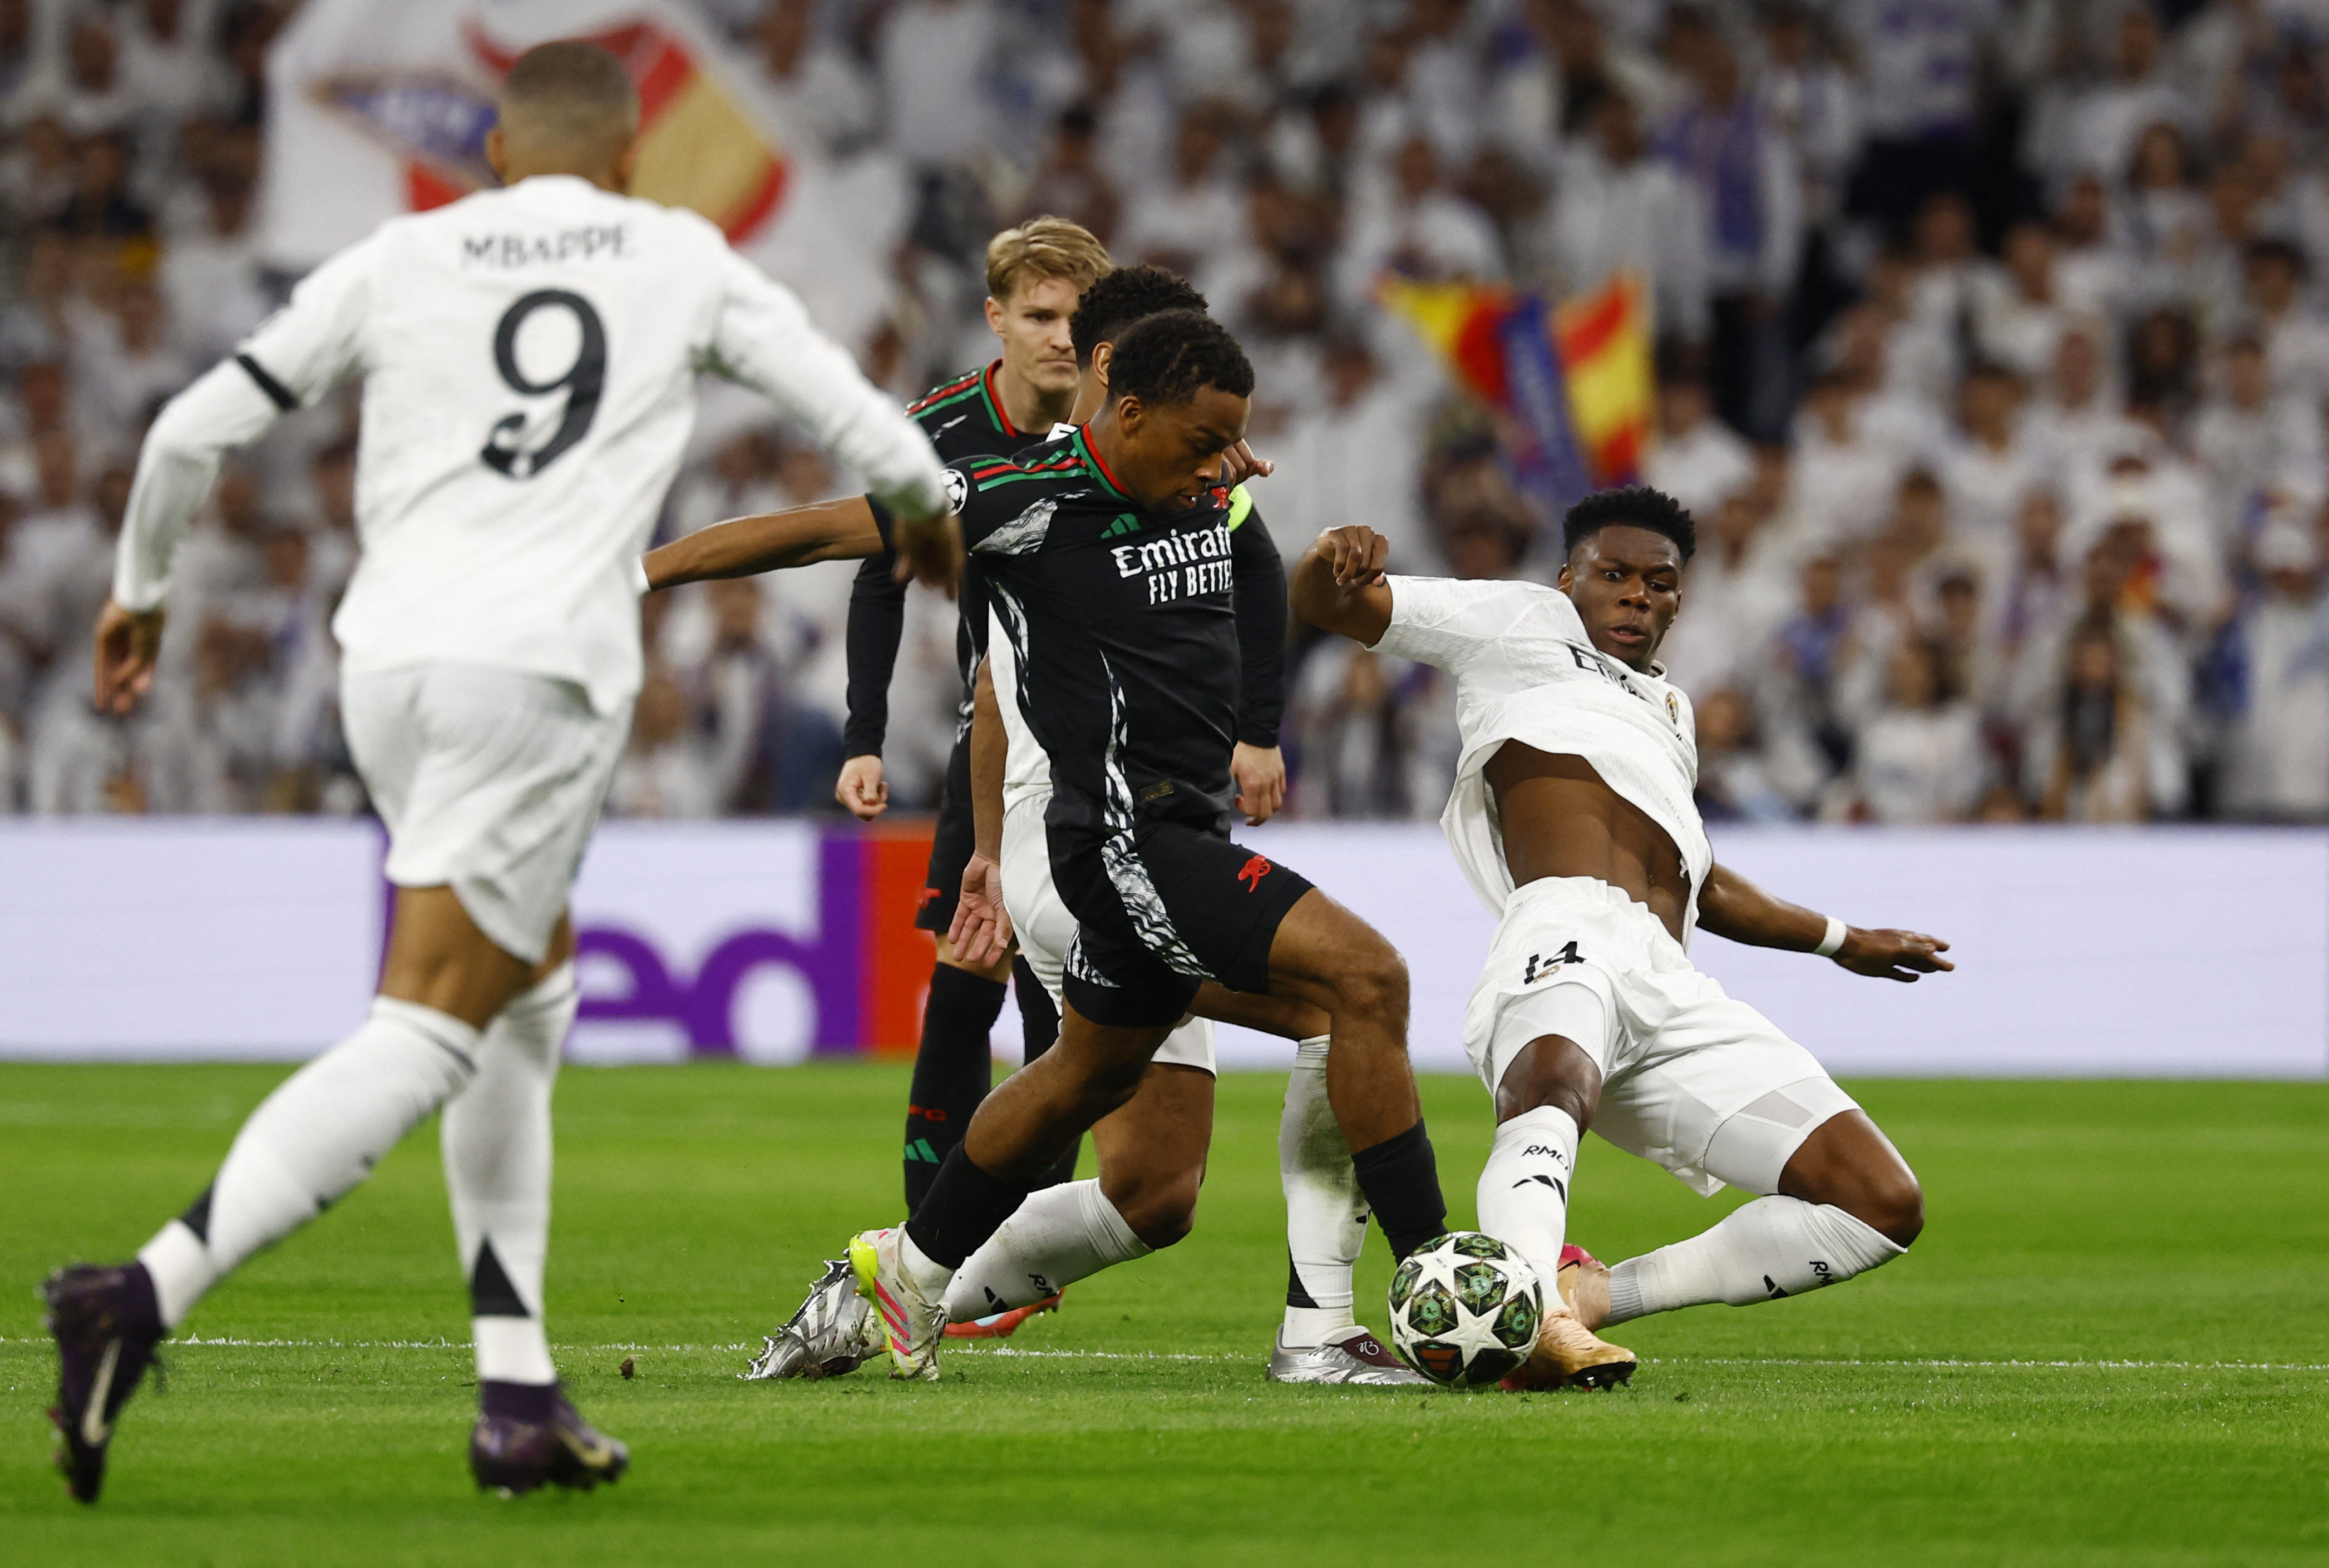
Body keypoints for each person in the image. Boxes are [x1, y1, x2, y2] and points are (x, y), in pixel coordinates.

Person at [41, 41, 953, 1503]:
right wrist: (931, 523)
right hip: (535, 674)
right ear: (632, 154)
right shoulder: (676, 257)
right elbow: (877, 439)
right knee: (429, 1023)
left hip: (388, 665)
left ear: (494, 152)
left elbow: (189, 429)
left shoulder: (404, 255)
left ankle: (518, 1393)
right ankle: (138, 1293)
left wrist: (140, 594)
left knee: (532, 983)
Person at [645, 285, 1416, 1386]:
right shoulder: (1026, 496)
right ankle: (1363, 1310)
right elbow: (883, 588)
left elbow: (1260, 571)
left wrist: (1260, 704)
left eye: (1230, 438)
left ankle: (899, 1277)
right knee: (1349, 992)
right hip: (1101, 849)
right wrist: (639, 572)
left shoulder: (1197, 487)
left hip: (1143, 841)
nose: (1223, 460)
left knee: (1141, 1170)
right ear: (1124, 391)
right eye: (1205, 436)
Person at [1289, 486, 1951, 1387]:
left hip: (1668, 977)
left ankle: (1591, 1297)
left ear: (1678, 599)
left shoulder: (1672, 714)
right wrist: (1329, 552)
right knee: (1547, 1089)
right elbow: (1330, 603)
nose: (1636, 595)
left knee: (1878, 1203)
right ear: (1568, 578)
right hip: (1561, 923)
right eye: (1614, 575)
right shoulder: (1516, 623)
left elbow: (1703, 884)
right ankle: (1539, 1322)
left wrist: (1843, 939)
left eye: (1658, 583)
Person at [836, 216, 1110, 1220]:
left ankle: (1026, 1248)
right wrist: (864, 738)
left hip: (1110, 747)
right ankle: (924, 1237)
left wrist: (1250, 728)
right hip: (995, 739)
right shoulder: (938, 432)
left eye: (1078, 318)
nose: (1061, 338)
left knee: (1062, 990)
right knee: (968, 964)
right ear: (996, 318)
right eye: (1039, 316)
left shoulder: (1129, 420)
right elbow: (880, 577)